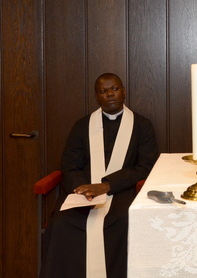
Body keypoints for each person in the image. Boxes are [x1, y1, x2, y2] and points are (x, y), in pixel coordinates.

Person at [40, 73, 158, 278]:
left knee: (123, 221)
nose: (110, 94)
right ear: (97, 97)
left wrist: (107, 186)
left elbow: (145, 166)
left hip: (121, 191)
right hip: (81, 191)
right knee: (61, 223)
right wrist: (82, 188)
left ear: (123, 92)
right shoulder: (82, 126)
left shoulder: (142, 126)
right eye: (103, 91)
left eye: (114, 89)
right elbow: (69, 165)